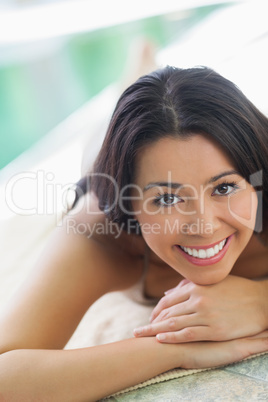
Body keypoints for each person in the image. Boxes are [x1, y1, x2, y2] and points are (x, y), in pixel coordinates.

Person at [0, 65, 268, 401]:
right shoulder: (100, 233)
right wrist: (174, 349)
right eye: (167, 198)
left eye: (224, 187)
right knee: (100, 143)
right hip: (102, 168)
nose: (204, 225)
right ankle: (137, 68)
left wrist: (260, 302)